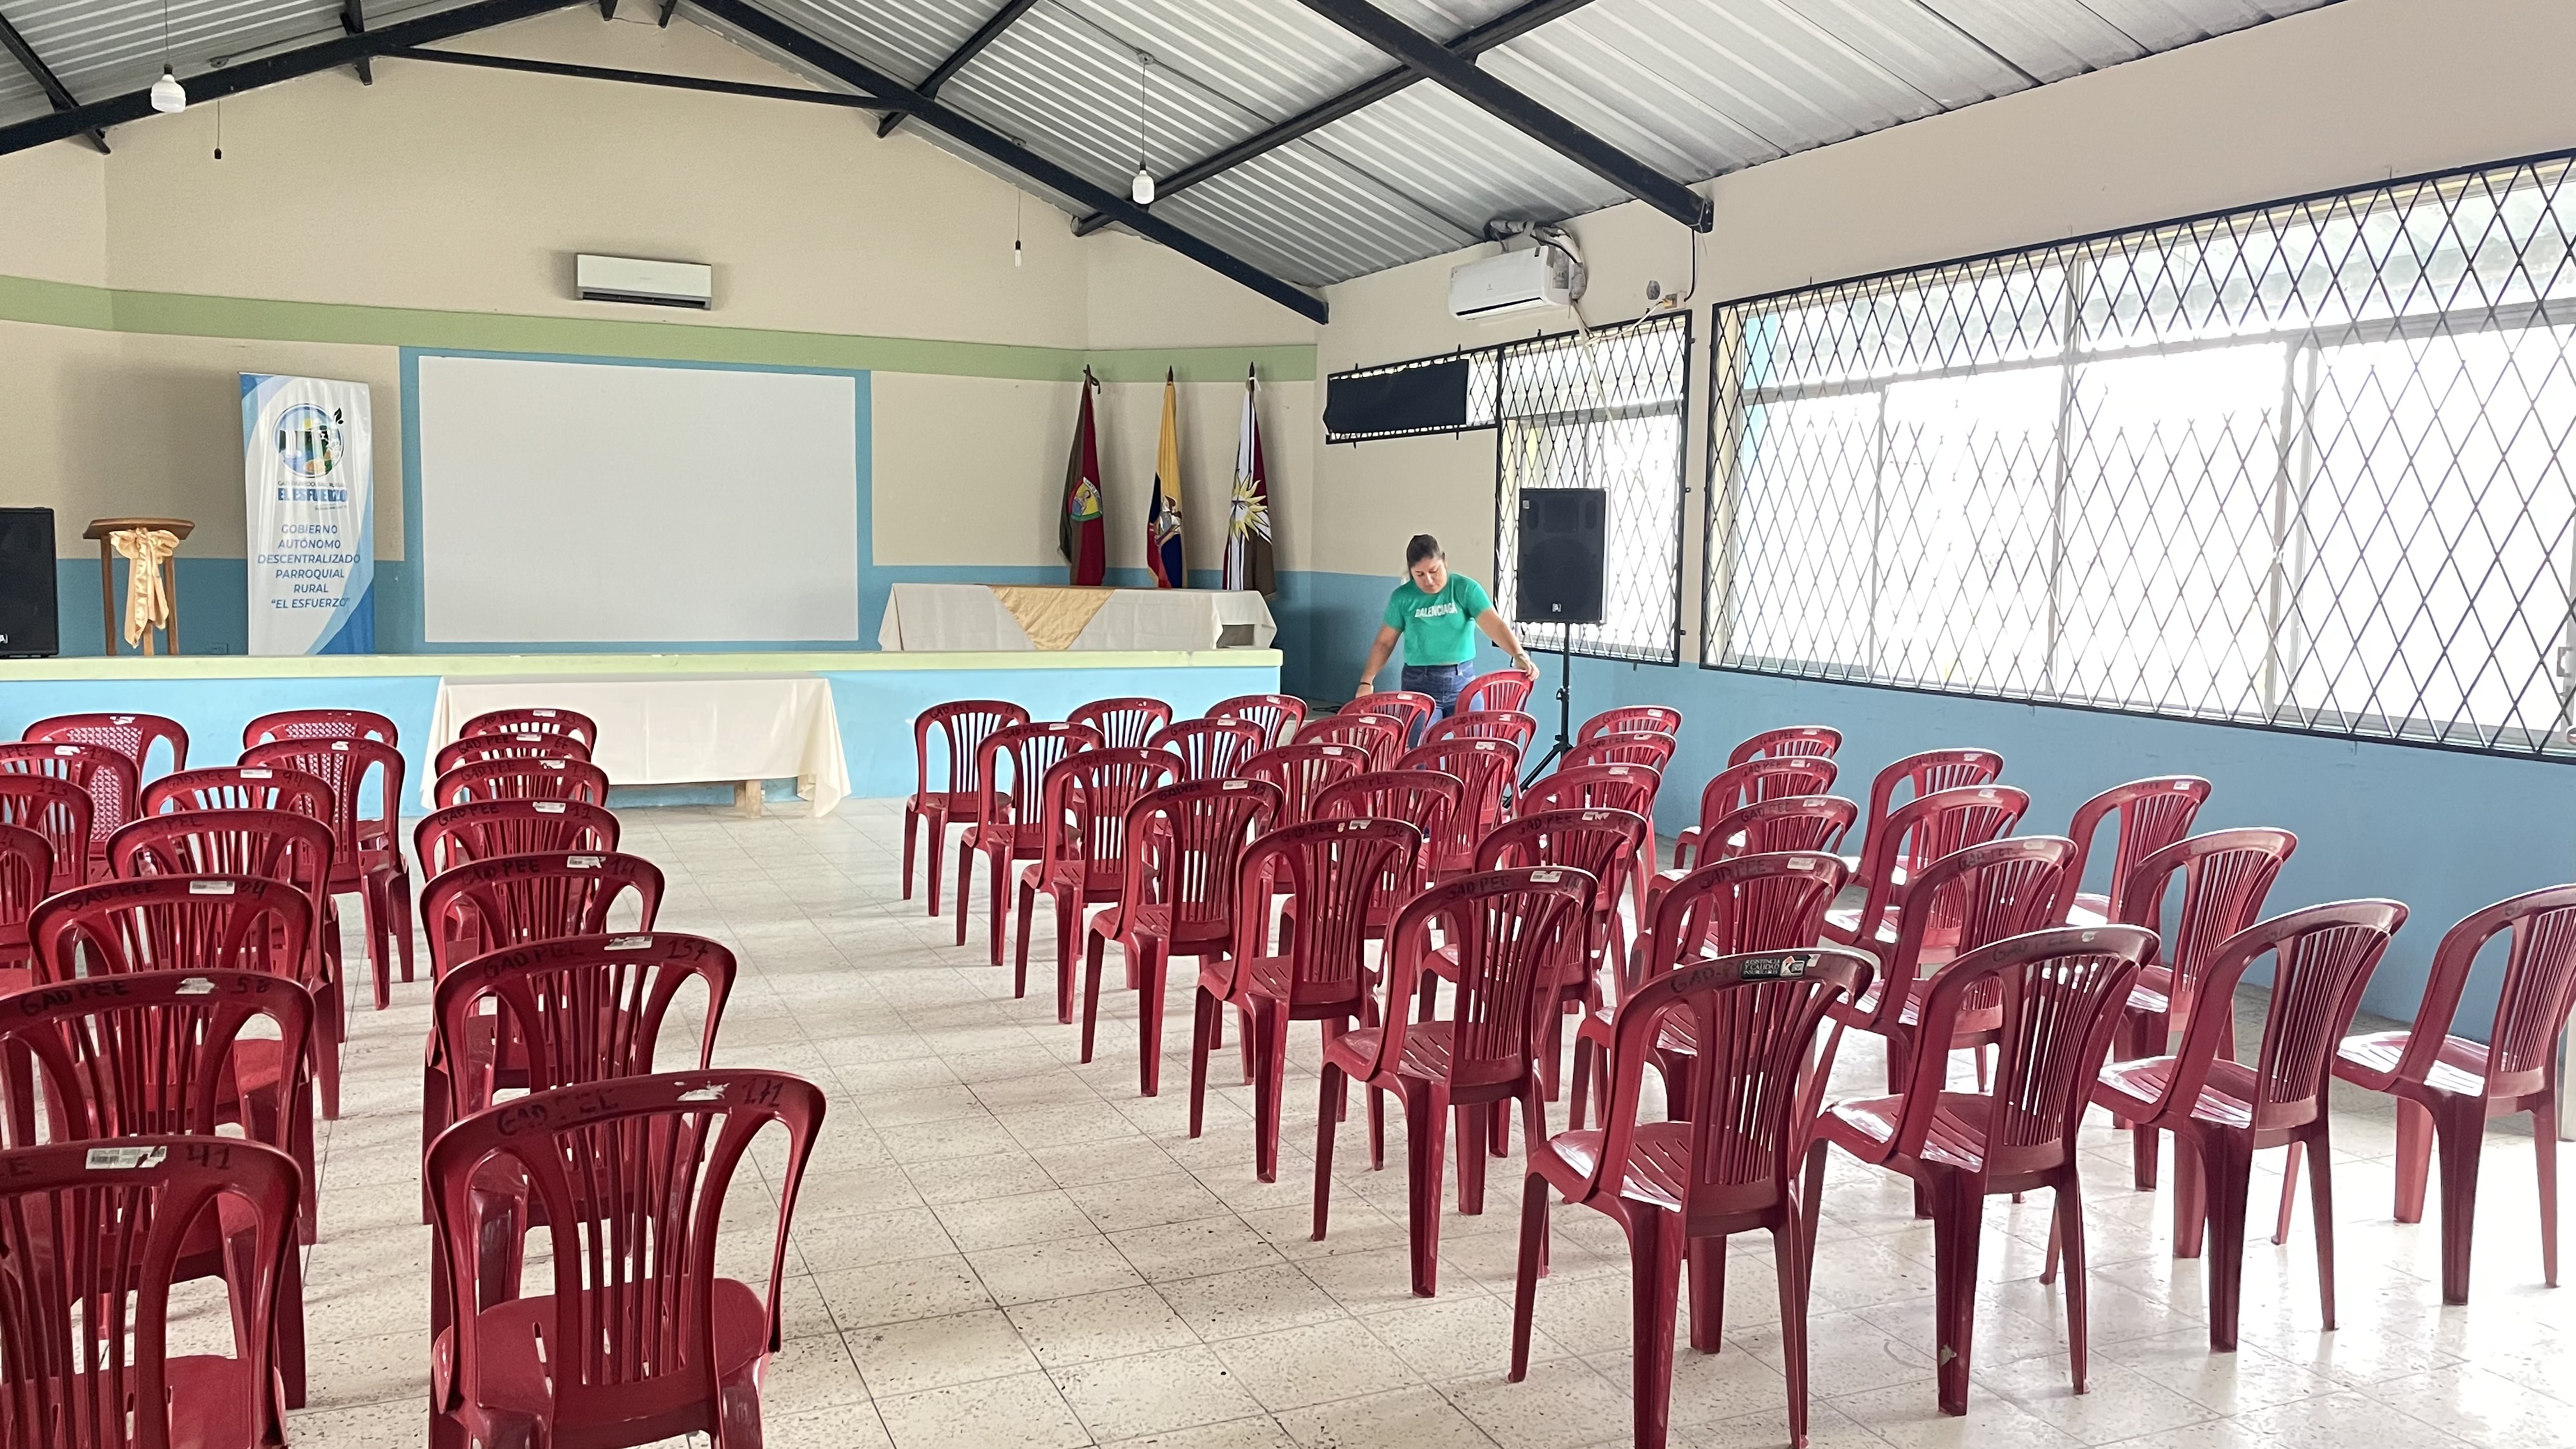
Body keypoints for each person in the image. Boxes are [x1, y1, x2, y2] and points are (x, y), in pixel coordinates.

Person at [1356, 534, 1539, 730]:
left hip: (1462, 680)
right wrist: (1367, 681)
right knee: (1422, 746)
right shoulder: (1402, 598)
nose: (1428, 580)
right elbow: (1384, 643)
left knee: (1473, 742)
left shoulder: (1465, 589)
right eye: (1419, 575)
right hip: (1419, 683)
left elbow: (1495, 625)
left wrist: (1518, 654)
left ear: (1445, 561)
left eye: (1434, 571)